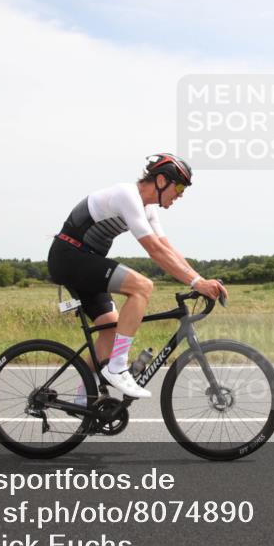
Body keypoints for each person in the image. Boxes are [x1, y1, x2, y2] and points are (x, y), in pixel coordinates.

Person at [47, 153, 227, 399]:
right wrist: (196, 282)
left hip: (86, 261)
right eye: (180, 186)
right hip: (69, 256)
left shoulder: (149, 209)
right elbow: (154, 250)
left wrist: (201, 280)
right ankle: (118, 367)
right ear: (162, 180)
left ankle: (83, 397)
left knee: (110, 328)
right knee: (142, 286)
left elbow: (167, 249)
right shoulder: (127, 195)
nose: (181, 194)